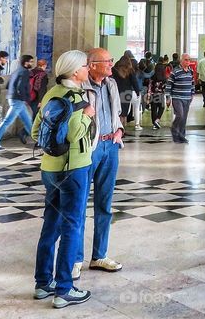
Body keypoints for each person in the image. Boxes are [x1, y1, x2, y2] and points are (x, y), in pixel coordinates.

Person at [32, 50, 95, 308]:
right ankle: (65, 289)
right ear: (75, 71)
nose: (87, 70)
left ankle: (42, 283)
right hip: (74, 168)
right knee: (72, 226)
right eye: (84, 66)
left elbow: (36, 130)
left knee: (51, 224)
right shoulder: (78, 97)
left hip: (49, 168)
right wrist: (88, 114)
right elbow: (75, 134)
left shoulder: (51, 94)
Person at [73, 47, 124, 278]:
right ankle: (75, 259)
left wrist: (119, 131)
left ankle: (99, 255)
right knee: (80, 204)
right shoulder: (79, 87)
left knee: (104, 204)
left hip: (110, 146)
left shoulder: (111, 84)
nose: (111, 64)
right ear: (92, 64)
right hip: (88, 149)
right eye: (107, 61)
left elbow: (117, 112)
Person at [0, 54, 35, 150]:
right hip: (17, 100)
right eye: (30, 61)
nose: (32, 63)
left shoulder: (17, 71)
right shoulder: (25, 72)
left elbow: (8, 85)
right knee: (7, 121)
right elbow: (20, 87)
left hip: (14, 99)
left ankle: (39, 140)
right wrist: (25, 98)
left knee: (28, 121)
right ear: (25, 63)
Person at [165, 53, 195, 143]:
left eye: (189, 60)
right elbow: (169, 85)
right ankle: (174, 130)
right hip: (177, 97)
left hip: (187, 97)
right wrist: (168, 97)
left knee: (184, 118)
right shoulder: (175, 71)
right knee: (180, 115)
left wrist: (192, 94)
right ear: (181, 60)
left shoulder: (190, 71)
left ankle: (181, 136)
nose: (188, 62)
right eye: (186, 60)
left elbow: (192, 83)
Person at [148, 62, 168, 130]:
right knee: (161, 108)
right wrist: (168, 97)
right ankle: (157, 120)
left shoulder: (152, 77)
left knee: (154, 110)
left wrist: (148, 96)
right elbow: (166, 89)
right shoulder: (164, 79)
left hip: (153, 95)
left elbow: (150, 87)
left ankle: (154, 124)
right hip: (161, 95)